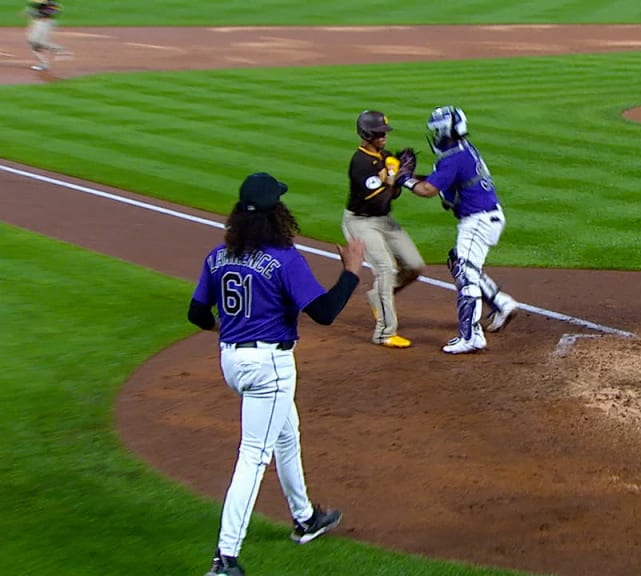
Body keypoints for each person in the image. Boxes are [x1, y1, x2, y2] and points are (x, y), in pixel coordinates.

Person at [188, 172, 366, 576]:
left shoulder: (217, 257)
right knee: (253, 457)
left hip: (232, 362)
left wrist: (228, 328)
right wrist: (351, 272)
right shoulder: (284, 258)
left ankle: (305, 519)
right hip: (270, 368)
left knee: (287, 433)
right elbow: (324, 313)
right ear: (276, 215)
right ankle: (225, 558)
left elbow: (196, 314)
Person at [396, 105, 519, 354]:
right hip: (486, 217)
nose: (436, 135)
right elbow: (438, 182)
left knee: (465, 274)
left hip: (478, 220)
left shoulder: (453, 158)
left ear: (445, 130)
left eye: (437, 130)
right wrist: (413, 177)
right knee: (459, 263)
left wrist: (404, 180)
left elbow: (428, 191)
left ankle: (471, 335)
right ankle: (501, 303)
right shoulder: (461, 152)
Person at [342, 110, 425, 349]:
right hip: (360, 222)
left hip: (382, 219)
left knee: (414, 265)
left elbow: (393, 193)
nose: (384, 138)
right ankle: (384, 333)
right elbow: (379, 200)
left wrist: (405, 178)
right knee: (386, 269)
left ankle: (376, 296)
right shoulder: (360, 163)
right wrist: (392, 176)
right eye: (379, 134)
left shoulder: (383, 155)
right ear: (367, 134)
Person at [22, 0, 70, 72]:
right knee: (33, 44)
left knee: (36, 41)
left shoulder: (51, 2)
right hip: (37, 22)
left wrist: (41, 9)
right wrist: (29, 12)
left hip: (44, 22)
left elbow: (54, 9)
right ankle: (43, 64)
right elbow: (35, 7)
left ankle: (59, 49)